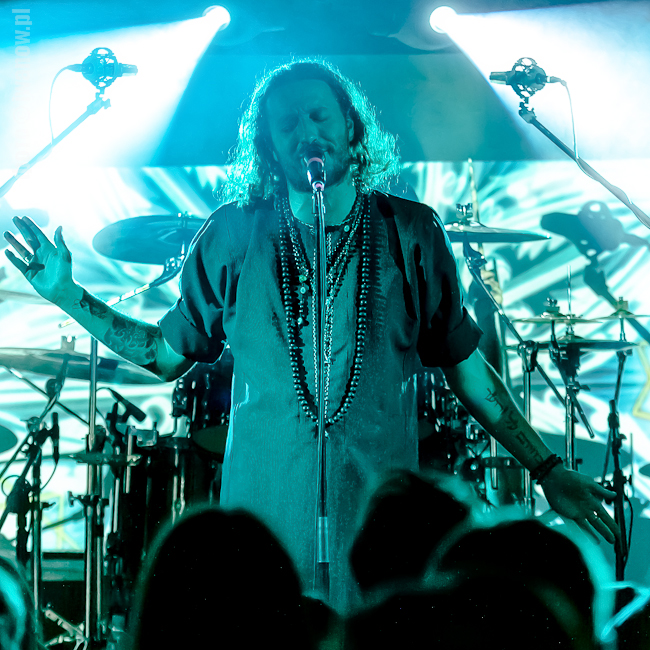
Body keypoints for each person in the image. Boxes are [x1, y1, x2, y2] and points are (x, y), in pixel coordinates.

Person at [4, 59, 618, 613]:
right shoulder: (233, 234)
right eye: (288, 123)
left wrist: (545, 468)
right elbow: (164, 355)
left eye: (320, 116)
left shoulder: (411, 231)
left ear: (351, 127)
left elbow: (467, 368)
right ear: (270, 146)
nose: (307, 132)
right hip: (263, 534)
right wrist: (67, 296)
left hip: (379, 534)